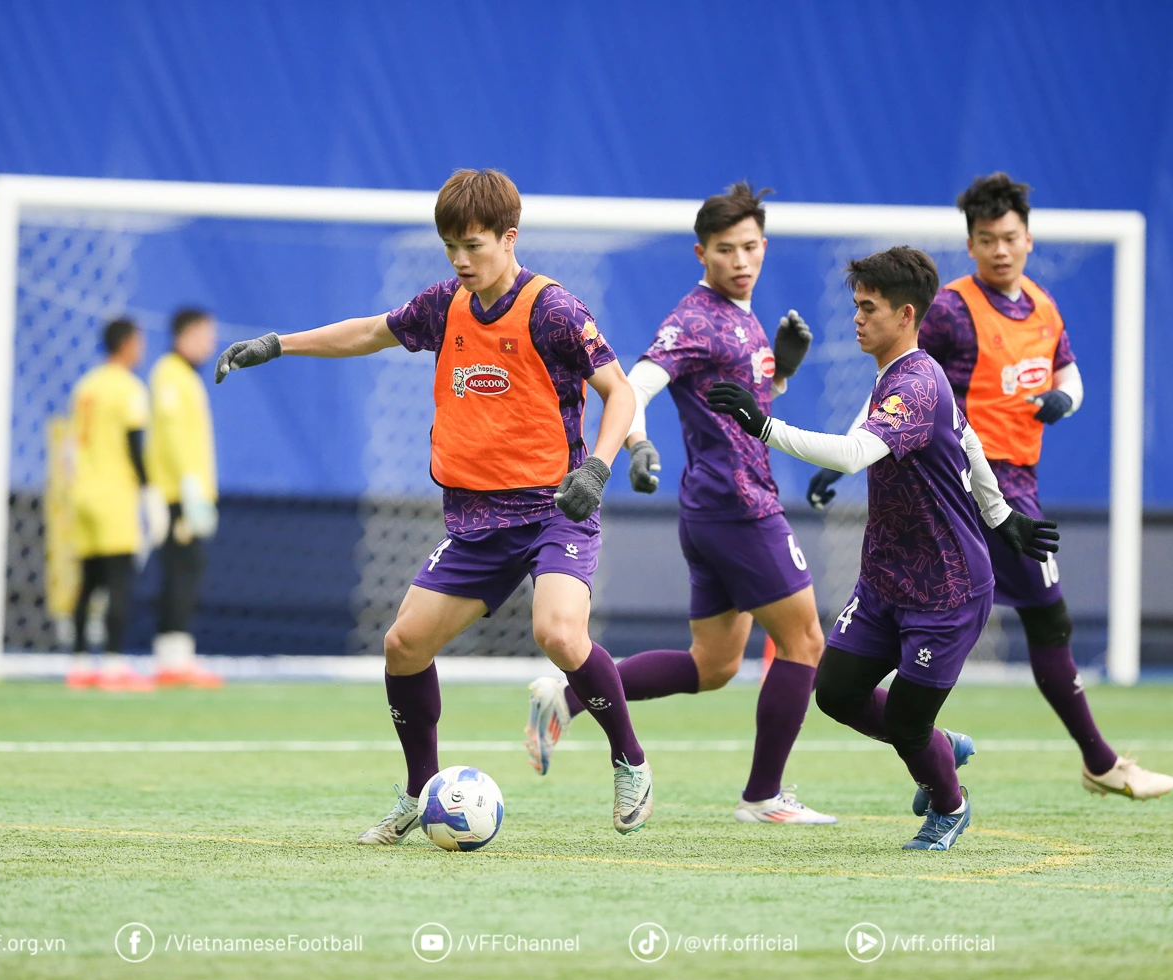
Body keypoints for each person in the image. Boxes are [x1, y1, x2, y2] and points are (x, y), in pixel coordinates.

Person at [214, 168, 653, 840]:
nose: (459, 259)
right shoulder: (444, 302)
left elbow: (619, 391)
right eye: (449, 245)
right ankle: (420, 794)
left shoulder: (554, 309)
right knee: (403, 644)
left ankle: (629, 759)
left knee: (558, 633)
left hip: (553, 508)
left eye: (472, 245)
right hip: (476, 519)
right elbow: (370, 331)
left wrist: (596, 466)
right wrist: (280, 344)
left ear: (509, 239)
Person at [807, 174, 1172, 801]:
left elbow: (1070, 372)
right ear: (971, 245)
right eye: (985, 240)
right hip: (967, 493)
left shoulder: (1042, 305)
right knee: (1046, 621)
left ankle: (940, 745)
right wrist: (848, 454)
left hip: (1012, 488)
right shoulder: (946, 308)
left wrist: (1065, 397)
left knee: (1038, 622)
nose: (999, 251)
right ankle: (1093, 760)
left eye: (1009, 238)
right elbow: (903, 380)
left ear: (1027, 239)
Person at [709, 246, 1058, 850]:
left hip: (945, 591)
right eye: (855, 305)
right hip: (886, 582)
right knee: (836, 693)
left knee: (904, 721)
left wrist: (763, 426)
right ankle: (943, 749)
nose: (857, 318)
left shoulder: (916, 382)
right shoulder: (899, 379)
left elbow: (853, 453)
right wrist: (1003, 516)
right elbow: (968, 438)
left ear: (905, 314)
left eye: (868, 307)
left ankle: (949, 806)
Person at [526, 182, 835, 824]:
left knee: (715, 665)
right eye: (726, 250)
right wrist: (628, 447)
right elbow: (636, 383)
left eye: (750, 247)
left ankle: (568, 695)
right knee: (805, 641)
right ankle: (764, 796)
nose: (741, 260)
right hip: (740, 509)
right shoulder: (697, 317)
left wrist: (781, 374)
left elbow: (730, 405)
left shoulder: (742, 316)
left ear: (764, 246)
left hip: (711, 510)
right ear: (702, 253)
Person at [65, 317, 168, 692]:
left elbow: (72, 445)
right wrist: (150, 491)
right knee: (119, 581)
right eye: (138, 341)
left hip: (82, 492)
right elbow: (134, 443)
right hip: (113, 494)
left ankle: (78, 664)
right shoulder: (128, 388)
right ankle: (112, 663)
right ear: (125, 344)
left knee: (89, 581)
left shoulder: (85, 386)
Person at [146, 308, 222, 688]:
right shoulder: (170, 376)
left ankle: (175, 655)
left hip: (187, 493)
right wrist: (189, 489)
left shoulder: (182, 377)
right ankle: (173, 659)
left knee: (186, 571)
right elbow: (174, 438)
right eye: (206, 335)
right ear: (185, 335)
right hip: (178, 495)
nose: (210, 344)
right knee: (180, 573)